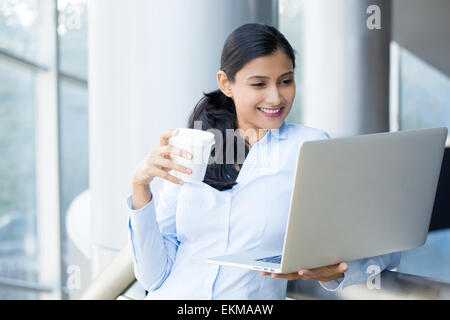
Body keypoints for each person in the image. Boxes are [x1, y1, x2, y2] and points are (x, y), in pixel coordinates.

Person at [127, 23, 401, 299]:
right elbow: (154, 274)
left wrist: (337, 271)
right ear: (226, 84)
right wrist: (141, 187)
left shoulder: (309, 148)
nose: (276, 97)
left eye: (286, 81)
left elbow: (384, 248)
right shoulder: (194, 145)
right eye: (259, 84)